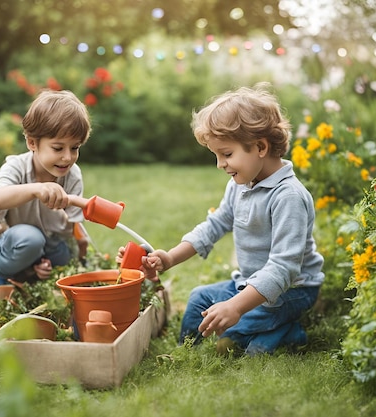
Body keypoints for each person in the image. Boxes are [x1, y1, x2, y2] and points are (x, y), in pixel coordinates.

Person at [128, 85, 324, 355]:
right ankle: (189, 350)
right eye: (217, 155)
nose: (220, 164)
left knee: (235, 336)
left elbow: (283, 268)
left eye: (227, 154)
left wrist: (235, 306)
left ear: (260, 147)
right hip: (248, 283)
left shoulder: (288, 197)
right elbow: (215, 224)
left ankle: (288, 332)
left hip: (291, 291)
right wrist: (170, 258)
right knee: (199, 300)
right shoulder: (241, 183)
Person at [0, 89, 92, 289]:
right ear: (32, 143)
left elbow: (72, 228)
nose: (68, 157)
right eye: (58, 148)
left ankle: (30, 275)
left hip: (45, 245)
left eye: (75, 148)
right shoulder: (16, 167)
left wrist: (52, 262)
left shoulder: (72, 175)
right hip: (8, 248)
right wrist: (36, 189)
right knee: (31, 239)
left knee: (63, 252)